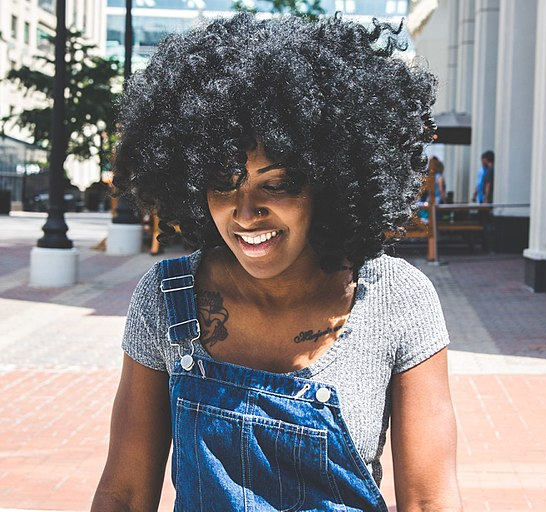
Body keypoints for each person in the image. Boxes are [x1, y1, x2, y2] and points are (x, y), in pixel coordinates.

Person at [92, 13, 462, 512]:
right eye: (224, 182)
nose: (245, 212)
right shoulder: (165, 300)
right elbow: (126, 493)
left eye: (278, 183)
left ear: (329, 185)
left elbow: (429, 500)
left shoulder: (397, 299)